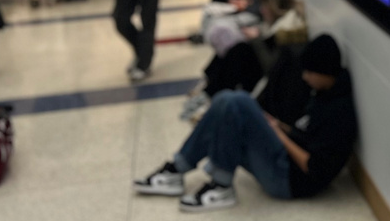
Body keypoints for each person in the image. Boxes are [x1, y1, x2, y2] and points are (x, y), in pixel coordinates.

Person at [134, 35, 357, 211]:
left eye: (310, 72)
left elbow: (313, 167)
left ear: (325, 72)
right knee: (226, 101)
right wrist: (279, 126)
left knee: (238, 102)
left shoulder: (340, 113)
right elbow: (305, 134)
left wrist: (279, 137)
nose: (305, 78)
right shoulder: (323, 93)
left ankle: (220, 185)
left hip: (291, 181)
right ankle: (177, 168)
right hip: (285, 160)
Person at [181, 0, 306, 120]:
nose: (262, 10)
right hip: (265, 68)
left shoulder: (285, 31)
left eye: (264, 6)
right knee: (236, 50)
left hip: (270, 79)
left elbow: (273, 66)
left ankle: (211, 92)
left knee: (239, 51)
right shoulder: (283, 23)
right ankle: (210, 89)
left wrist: (256, 39)